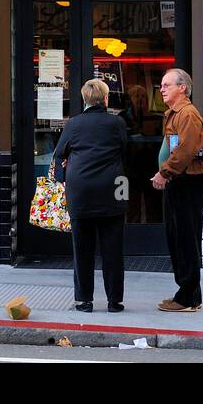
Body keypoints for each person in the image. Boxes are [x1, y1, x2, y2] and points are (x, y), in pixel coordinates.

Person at [51, 78, 128, 313]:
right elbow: (124, 148)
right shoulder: (117, 123)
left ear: (84, 99)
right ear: (106, 99)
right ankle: (114, 301)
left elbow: (59, 153)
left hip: (80, 191)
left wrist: (63, 180)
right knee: (113, 249)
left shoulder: (73, 124)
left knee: (82, 249)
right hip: (113, 189)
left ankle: (84, 300)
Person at [151, 68, 203, 312]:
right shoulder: (176, 113)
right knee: (179, 237)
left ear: (183, 87)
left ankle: (187, 297)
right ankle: (189, 295)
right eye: (161, 85)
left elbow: (186, 149)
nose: (162, 89)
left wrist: (164, 172)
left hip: (186, 181)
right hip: (180, 180)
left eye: (167, 84)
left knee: (185, 239)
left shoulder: (186, 113)